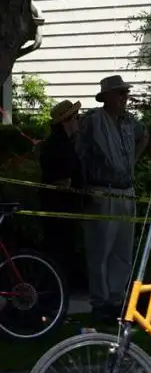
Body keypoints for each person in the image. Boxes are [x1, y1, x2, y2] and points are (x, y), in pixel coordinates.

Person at [76, 75, 149, 322]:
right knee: (100, 249)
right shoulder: (92, 120)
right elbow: (79, 151)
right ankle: (100, 302)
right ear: (106, 96)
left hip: (126, 190)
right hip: (101, 190)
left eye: (125, 93)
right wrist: (85, 183)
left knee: (122, 249)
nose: (124, 97)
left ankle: (117, 300)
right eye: (119, 93)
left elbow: (144, 136)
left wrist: (131, 162)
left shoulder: (129, 121)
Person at [39, 99, 83, 288]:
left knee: (63, 251)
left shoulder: (65, 142)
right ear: (66, 121)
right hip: (58, 207)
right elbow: (62, 180)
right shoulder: (58, 145)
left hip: (64, 207)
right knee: (58, 252)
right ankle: (54, 291)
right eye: (76, 117)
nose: (79, 121)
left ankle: (58, 289)